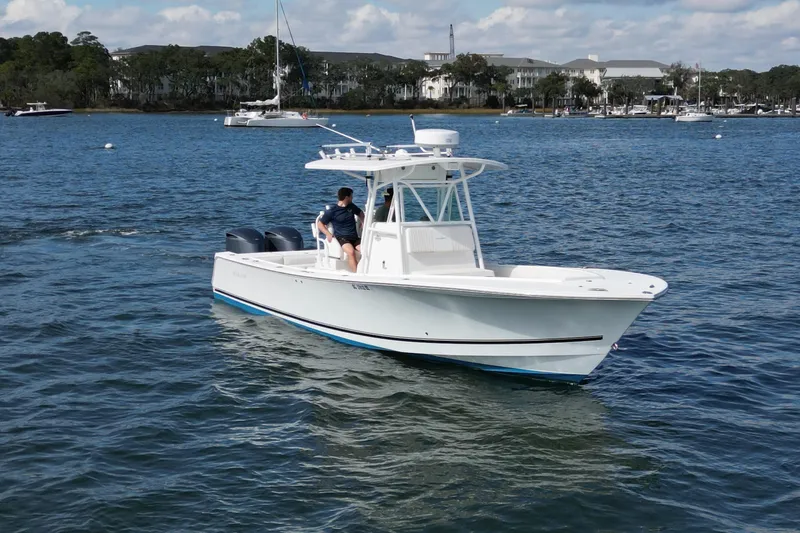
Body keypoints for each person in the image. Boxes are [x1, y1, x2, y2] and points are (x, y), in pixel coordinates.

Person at [317, 187, 365, 272]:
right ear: (347, 197)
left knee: (366, 250)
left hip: (354, 237)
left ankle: (366, 270)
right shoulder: (332, 211)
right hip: (342, 238)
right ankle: (356, 273)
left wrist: (362, 222)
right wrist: (328, 233)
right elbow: (320, 224)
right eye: (351, 196)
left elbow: (360, 213)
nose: (352, 198)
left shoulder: (351, 206)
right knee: (351, 252)